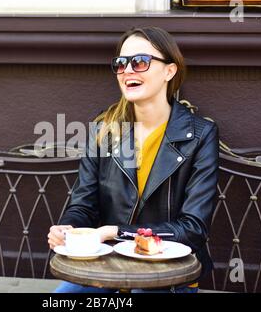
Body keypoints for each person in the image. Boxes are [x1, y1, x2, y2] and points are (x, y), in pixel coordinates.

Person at [47, 27, 219, 293]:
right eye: (121, 63)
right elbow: (83, 205)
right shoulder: (104, 129)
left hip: (167, 275)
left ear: (169, 71)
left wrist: (116, 231)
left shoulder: (200, 135)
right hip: (105, 267)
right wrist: (69, 228)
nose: (128, 70)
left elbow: (193, 229)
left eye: (140, 62)